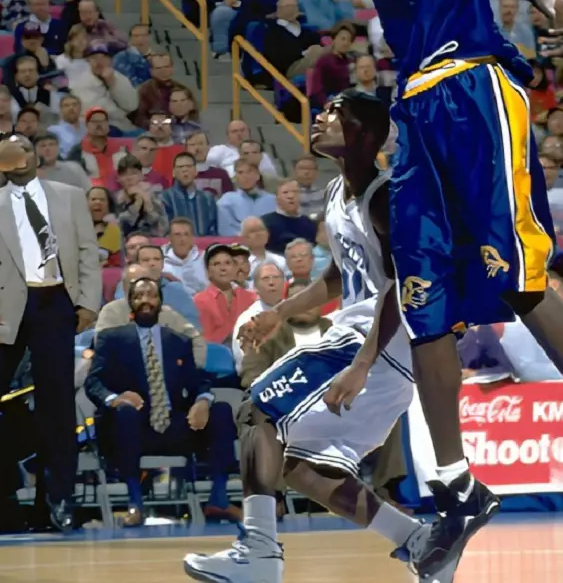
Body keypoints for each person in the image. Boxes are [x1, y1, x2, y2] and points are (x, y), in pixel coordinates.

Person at [92, 0, 563, 565]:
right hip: (417, 103)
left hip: (473, 83)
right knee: (423, 294)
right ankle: (457, 485)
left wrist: (551, 1)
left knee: (516, 275)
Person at [185, 90, 449, 583]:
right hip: (372, 346)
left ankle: (260, 552)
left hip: (376, 343)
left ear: (366, 135)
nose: (321, 118)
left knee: (258, 409)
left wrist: (363, 363)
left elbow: (399, 286)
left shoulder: (388, 196)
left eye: (336, 114)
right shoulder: (334, 193)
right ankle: (419, 542)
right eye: (324, 109)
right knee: (304, 468)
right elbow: (341, 277)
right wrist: (279, 313)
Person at [0, 135, 101, 532]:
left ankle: (59, 497)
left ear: (35, 156)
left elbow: (87, 253)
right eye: (12, 152)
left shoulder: (70, 195)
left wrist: (89, 304)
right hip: (4, 310)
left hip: (56, 303)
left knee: (58, 408)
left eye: (25, 149)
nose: (20, 157)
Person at [85, 276, 239, 525]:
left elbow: (199, 381)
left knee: (220, 410)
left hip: (173, 425)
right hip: (133, 425)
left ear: (160, 301)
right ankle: (135, 504)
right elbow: (93, 383)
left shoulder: (177, 340)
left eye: (151, 295)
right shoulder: (112, 339)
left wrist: (202, 400)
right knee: (125, 415)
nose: (146, 300)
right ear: (130, 302)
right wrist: (115, 399)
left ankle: (218, 498)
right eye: (139, 296)